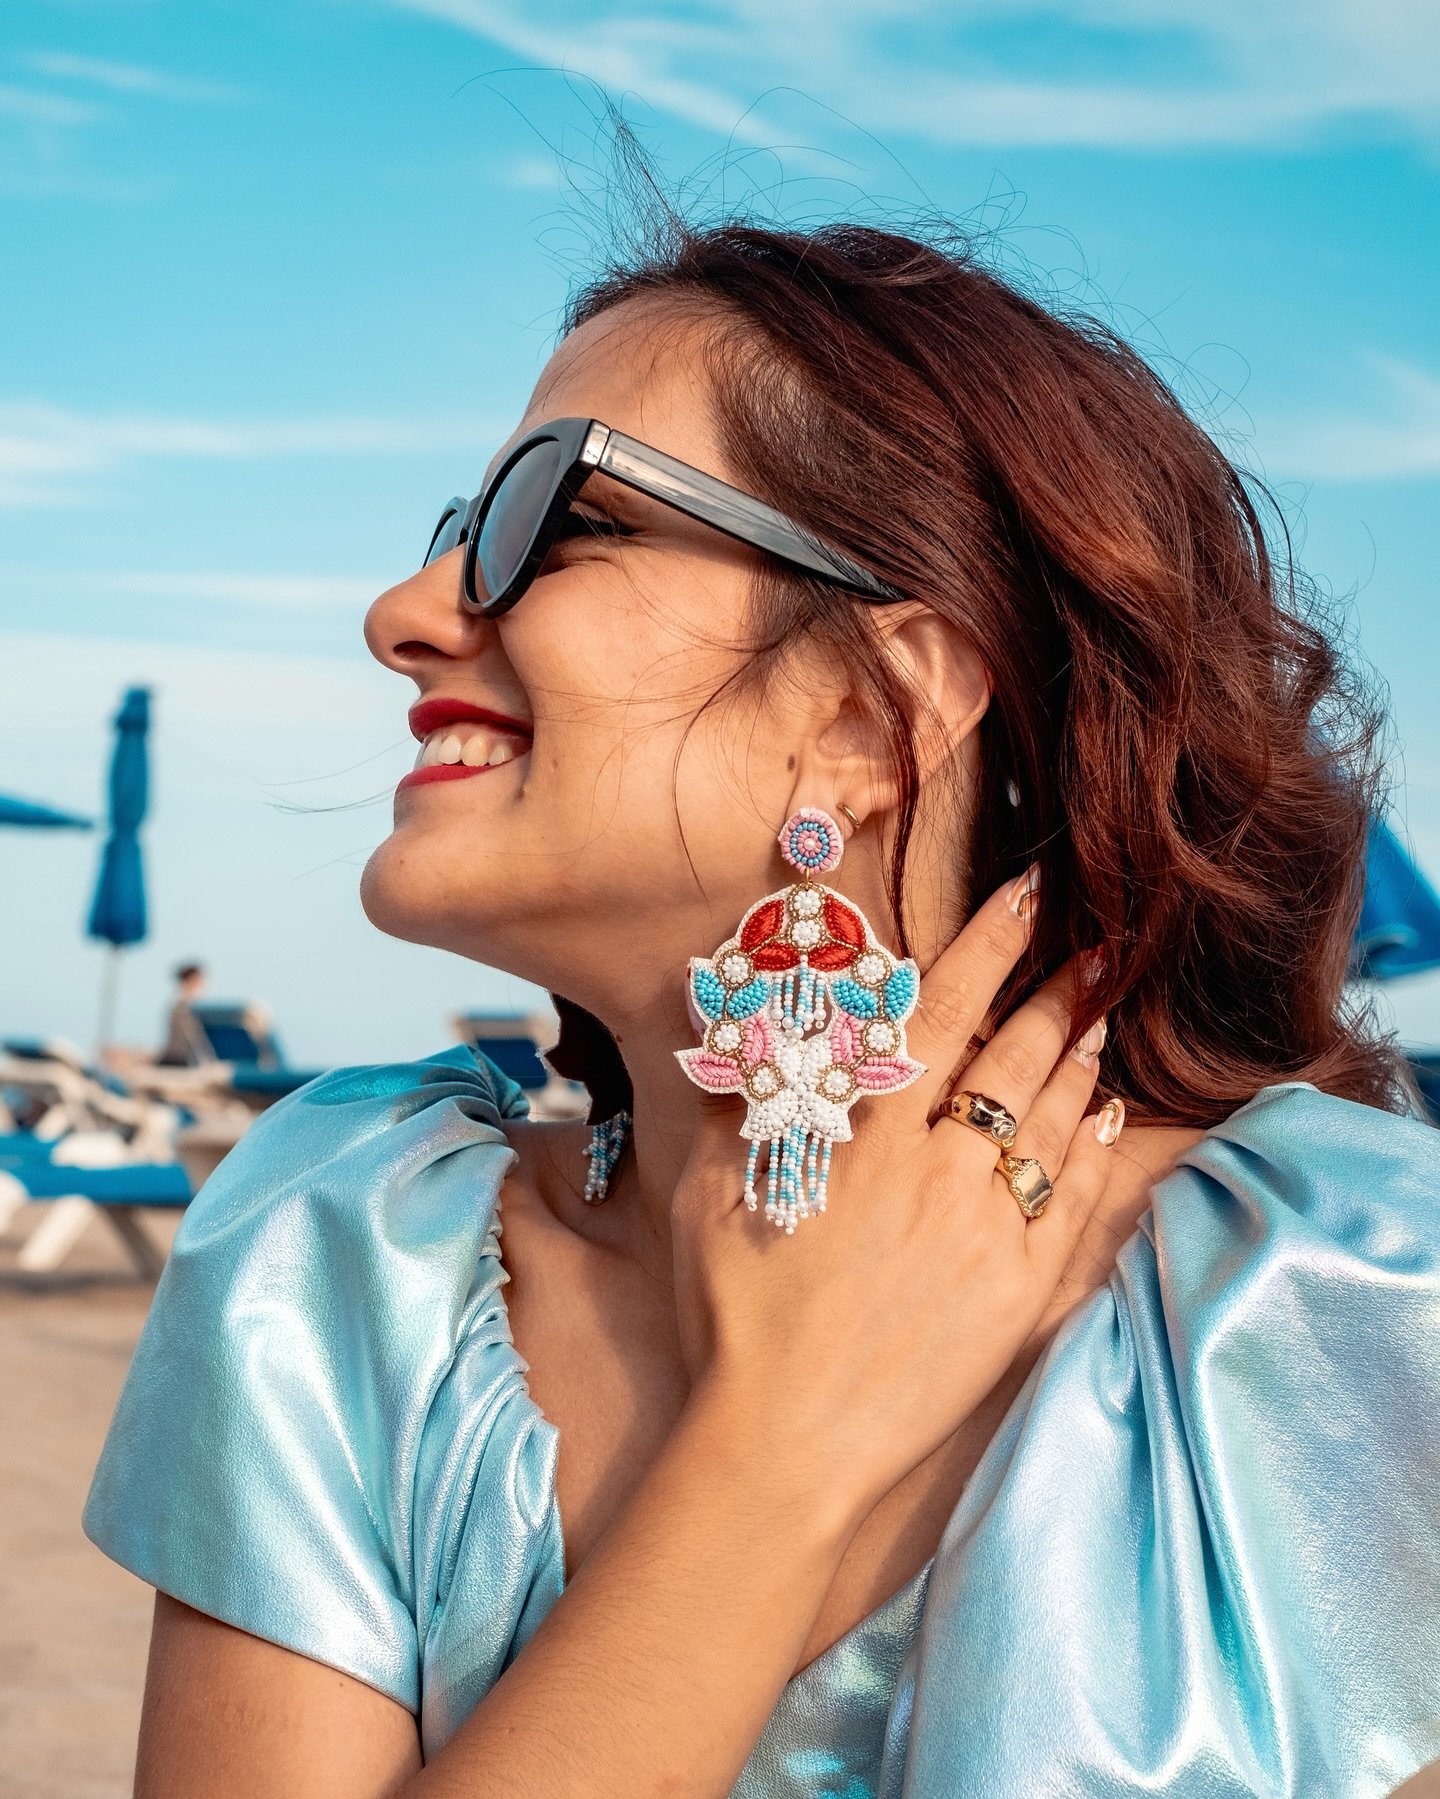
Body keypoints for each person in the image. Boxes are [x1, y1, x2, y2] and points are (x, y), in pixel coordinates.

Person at [83, 211, 1440, 1797]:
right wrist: (781, 1439)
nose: (403, 606)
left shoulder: (1355, 1301)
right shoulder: (348, 1258)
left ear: (869, 712)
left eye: (553, 518)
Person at [154, 961, 213, 1067]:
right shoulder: (186, 1003)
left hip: (177, 1056)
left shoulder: (177, 1001)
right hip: (179, 1058)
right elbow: (191, 1035)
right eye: (199, 979)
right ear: (192, 980)